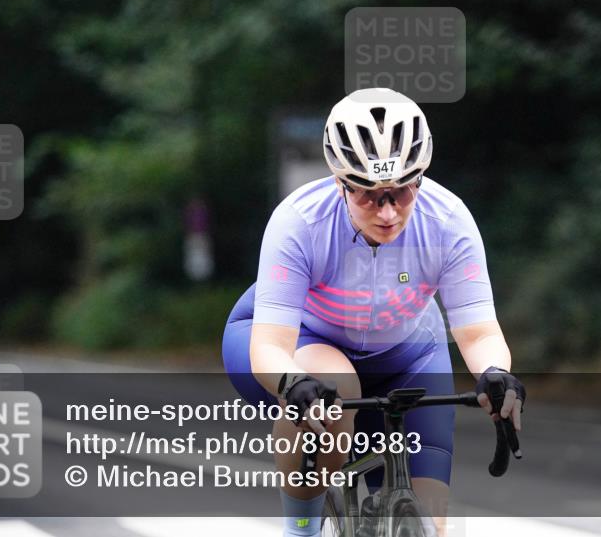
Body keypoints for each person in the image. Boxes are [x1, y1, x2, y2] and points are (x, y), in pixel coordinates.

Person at [222, 88, 525, 537]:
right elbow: (269, 347)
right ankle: (300, 529)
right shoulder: (299, 221)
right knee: (334, 389)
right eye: (368, 195)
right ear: (341, 182)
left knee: (431, 522)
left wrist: (496, 373)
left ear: (419, 178)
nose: (387, 211)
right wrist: (294, 383)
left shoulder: (448, 221)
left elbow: (479, 332)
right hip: (300, 339)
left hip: (408, 354)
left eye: (401, 191)